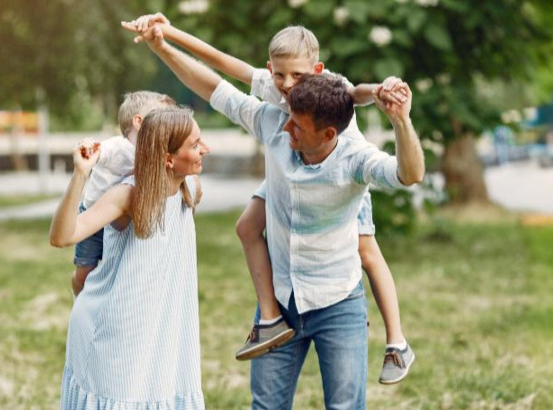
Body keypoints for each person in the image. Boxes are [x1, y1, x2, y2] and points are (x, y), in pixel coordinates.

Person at [126, 20, 425, 409]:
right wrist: (162, 47)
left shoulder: (354, 156)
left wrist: (400, 119)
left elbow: (409, 174)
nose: (284, 127)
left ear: (328, 134)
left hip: (337, 301)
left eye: (296, 125)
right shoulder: (275, 119)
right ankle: (268, 319)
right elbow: (216, 86)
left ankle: (397, 341)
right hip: (283, 300)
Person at [48, 107, 211, 409]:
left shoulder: (189, 188)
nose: (206, 149)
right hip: (114, 338)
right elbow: (62, 236)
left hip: (162, 339)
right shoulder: (127, 196)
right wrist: (80, 175)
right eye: (195, 144)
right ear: (168, 158)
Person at [68, 91, 176, 296]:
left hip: (118, 217)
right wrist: (90, 150)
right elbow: (102, 151)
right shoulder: (120, 146)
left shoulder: (155, 152)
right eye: (162, 117)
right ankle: (78, 292)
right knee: (85, 272)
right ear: (139, 122)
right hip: (92, 216)